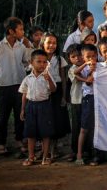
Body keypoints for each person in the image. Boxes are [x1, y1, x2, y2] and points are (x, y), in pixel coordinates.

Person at [0, 17, 33, 156]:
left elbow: (28, 60)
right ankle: (1, 143)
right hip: (5, 87)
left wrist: (28, 44)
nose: (23, 31)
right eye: (20, 29)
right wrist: (2, 76)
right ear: (11, 31)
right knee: (3, 116)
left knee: (20, 114)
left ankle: (19, 140)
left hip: (20, 85)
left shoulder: (22, 46)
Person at [19, 49, 56, 166]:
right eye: (38, 62)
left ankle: (45, 157)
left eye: (44, 62)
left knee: (45, 133)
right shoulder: (27, 78)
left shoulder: (47, 76)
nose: (42, 64)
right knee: (31, 133)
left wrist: (48, 79)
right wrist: (22, 109)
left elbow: (53, 89)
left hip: (44, 106)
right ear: (31, 62)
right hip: (31, 106)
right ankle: (31, 157)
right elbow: (24, 94)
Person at [39, 32, 70, 160]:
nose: (51, 45)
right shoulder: (39, 57)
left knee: (56, 119)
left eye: (54, 43)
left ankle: (54, 148)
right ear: (43, 44)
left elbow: (63, 78)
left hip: (56, 91)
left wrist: (63, 96)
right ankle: (43, 149)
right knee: (43, 119)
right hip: (42, 91)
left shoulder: (59, 59)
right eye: (48, 43)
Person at [74, 44, 99, 166]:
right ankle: (79, 155)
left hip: (100, 99)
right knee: (84, 128)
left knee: (97, 127)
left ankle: (96, 155)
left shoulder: (100, 67)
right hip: (88, 99)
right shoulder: (84, 68)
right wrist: (86, 65)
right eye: (88, 56)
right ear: (83, 57)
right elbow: (75, 72)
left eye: (93, 56)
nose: (91, 59)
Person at [65, 43, 83, 163]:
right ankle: (74, 149)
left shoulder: (90, 66)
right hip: (76, 100)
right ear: (69, 59)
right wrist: (86, 64)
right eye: (73, 56)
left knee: (86, 126)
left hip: (88, 100)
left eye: (79, 55)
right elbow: (76, 75)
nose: (77, 58)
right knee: (76, 126)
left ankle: (86, 149)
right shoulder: (71, 69)